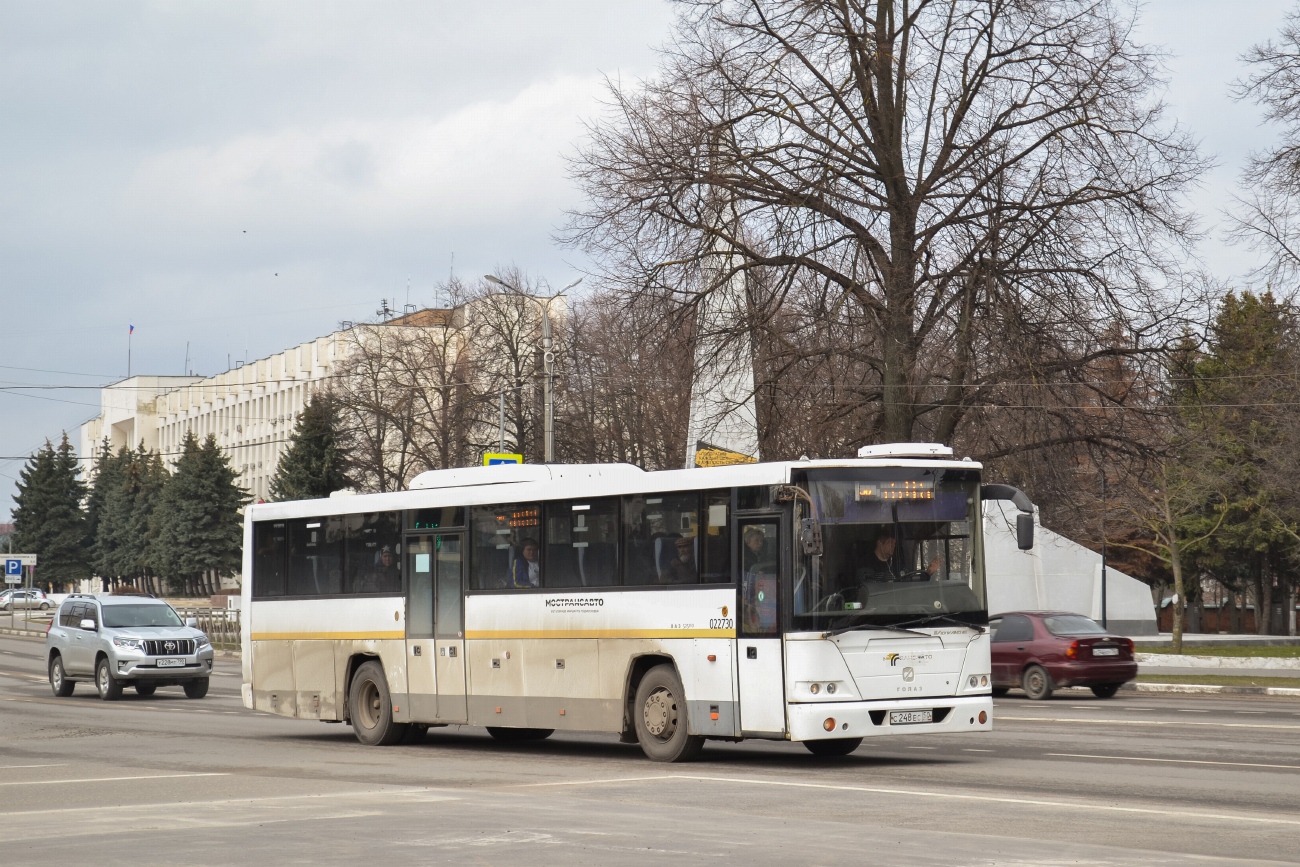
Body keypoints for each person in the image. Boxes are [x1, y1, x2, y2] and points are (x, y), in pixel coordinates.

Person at [856, 531, 940, 582]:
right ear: (880, 542)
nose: (893, 546)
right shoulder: (866, 562)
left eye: (894, 543)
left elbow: (909, 579)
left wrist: (927, 573)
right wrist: (888, 583)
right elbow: (866, 583)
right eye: (890, 542)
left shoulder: (896, 564)